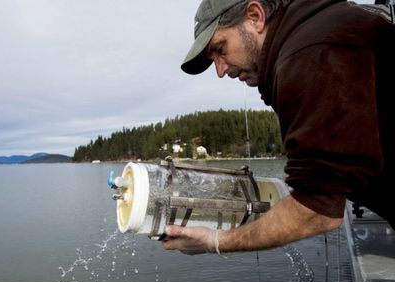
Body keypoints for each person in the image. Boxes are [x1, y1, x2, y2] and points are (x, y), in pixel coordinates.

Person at [162, 0, 395, 254]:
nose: (220, 70)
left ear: (255, 16)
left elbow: (317, 210)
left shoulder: (309, 54)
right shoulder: (316, 32)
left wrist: (214, 241)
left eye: (220, 49)